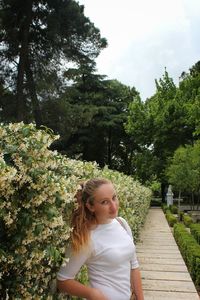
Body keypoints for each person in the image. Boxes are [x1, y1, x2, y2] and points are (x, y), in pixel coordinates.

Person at [57, 178, 144, 300]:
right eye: (104, 202)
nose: (114, 207)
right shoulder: (85, 237)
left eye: (114, 198)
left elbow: (134, 266)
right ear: (90, 206)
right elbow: (63, 280)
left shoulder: (121, 223)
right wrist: (92, 294)